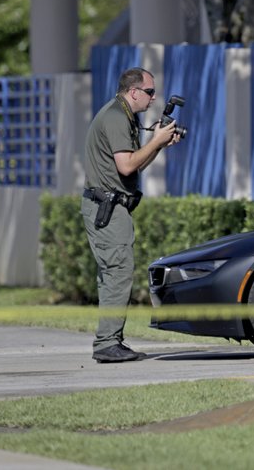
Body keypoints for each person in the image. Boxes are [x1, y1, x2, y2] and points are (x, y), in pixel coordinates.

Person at [82, 67, 181, 363]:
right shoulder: (115, 117)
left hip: (113, 206)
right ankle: (107, 344)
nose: (153, 98)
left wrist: (158, 145)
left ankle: (110, 341)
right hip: (107, 208)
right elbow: (126, 166)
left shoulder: (125, 115)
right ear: (133, 91)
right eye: (149, 92)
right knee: (118, 272)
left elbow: (135, 165)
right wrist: (155, 141)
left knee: (115, 272)